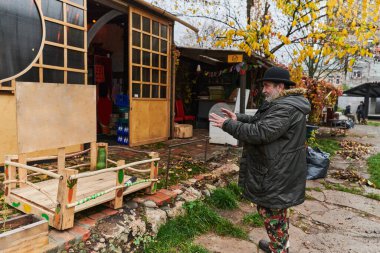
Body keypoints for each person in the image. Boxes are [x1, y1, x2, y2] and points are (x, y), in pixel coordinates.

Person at [209, 67, 311, 253]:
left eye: (267, 86)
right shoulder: (284, 103)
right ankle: (279, 244)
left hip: (277, 171)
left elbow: (261, 132)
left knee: (271, 212)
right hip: (281, 168)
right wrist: (238, 118)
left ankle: (279, 249)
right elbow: (263, 122)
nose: (263, 90)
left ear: (280, 87)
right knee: (277, 212)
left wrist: (227, 124)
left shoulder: (285, 108)